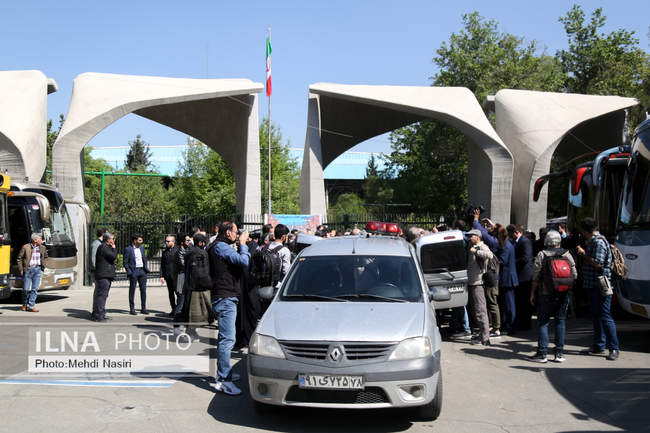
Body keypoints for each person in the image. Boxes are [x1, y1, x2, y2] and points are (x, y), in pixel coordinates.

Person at [210, 221, 250, 395]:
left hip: (224, 296)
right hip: (225, 297)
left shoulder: (217, 245)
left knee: (225, 339)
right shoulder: (221, 247)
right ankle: (223, 380)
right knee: (227, 340)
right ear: (227, 233)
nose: (237, 234)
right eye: (235, 231)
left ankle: (225, 373)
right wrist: (243, 244)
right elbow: (243, 261)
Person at [527, 230, 577, 363]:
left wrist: (532, 292)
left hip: (546, 293)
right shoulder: (567, 254)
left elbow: (535, 276)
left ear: (546, 241)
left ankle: (542, 353)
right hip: (563, 293)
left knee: (543, 322)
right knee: (560, 321)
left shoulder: (542, 254)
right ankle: (559, 353)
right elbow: (574, 274)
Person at [576, 218, 620, 361]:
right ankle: (599, 345)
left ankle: (614, 348)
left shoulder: (599, 242)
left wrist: (583, 253)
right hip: (593, 284)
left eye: (582, 230)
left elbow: (598, 263)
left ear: (585, 230)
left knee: (605, 315)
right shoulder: (593, 241)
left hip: (600, 285)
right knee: (597, 315)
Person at [472, 210, 501, 337]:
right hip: (492, 275)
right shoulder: (499, 240)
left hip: (491, 276)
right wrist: (491, 223)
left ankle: (496, 328)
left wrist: (476, 219)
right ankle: (492, 326)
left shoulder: (493, 242)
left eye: (492, 228)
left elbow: (482, 232)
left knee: (492, 302)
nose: (490, 228)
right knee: (490, 301)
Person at [466, 229, 494, 346]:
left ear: (478, 237)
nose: (469, 238)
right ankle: (481, 334)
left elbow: (490, 255)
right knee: (476, 311)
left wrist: (476, 252)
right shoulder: (471, 246)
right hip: (472, 283)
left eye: (471, 236)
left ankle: (485, 338)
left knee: (480, 311)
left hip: (478, 283)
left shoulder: (482, 246)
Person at [509, 224, 534, 332]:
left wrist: (512, 262)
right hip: (519, 275)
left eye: (511, 234)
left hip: (525, 275)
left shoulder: (525, 241)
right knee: (519, 299)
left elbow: (526, 258)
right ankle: (521, 321)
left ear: (516, 232)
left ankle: (526, 323)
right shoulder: (516, 242)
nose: (510, 236)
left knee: (525, 300)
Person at [17, 233, 48, 312]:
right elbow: (19, 258)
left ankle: (31, 305)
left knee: (35, 289)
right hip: (28, 270)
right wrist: (21, 269)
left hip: (38, 269)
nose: (42, 240)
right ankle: (24, 303)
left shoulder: (43, 248)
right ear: (35, 240)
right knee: (26, 289)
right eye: (40, 239)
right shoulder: (26, 247)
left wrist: (43, 265)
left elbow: (46, 257)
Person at [497, 226, 519, 335]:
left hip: (507, 279)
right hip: (508, 278)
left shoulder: (506, 246)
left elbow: (502, 261)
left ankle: (511, 326)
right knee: (507, 303)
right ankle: (507, 324)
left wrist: (493, 258)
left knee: (509, 304)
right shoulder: (508, 244)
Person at [91, 232, 117, 322]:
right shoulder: (104, 247)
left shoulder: (105, 247)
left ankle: (100, 313)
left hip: (105, 275)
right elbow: (113, 256)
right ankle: (99, 315)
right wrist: (114, 248)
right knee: (102, 295)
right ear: (108, 239)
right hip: (103, 275)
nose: (114, 240)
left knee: (103, 295)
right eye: (113, 239)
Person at [123, 233, 150, 315]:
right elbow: (125, 262)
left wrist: (145, 268)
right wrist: (129, 272)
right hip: (134, 271)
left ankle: (143, 308)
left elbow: (144, 258)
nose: (141, 241)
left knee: (143, 290)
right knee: (132, 290)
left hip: (142, 271)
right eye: (140, 240)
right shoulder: (128, 249)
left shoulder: (142, 248)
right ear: (135, 241)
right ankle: (132, 309)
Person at [160, 235, 178, 316]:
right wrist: (161, 276)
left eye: (168, 241)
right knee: (171, 294)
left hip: (176, 276)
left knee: (178, 294)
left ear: (173, 242)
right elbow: (162, 264)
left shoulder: (177, 250)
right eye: (166, 241)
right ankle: (173, 309)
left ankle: (178, 310)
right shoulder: (165, 252)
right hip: (168, 276)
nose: (166, 243)